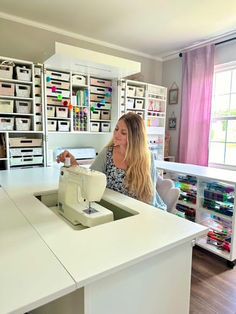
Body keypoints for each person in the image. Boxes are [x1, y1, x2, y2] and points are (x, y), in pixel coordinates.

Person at [56, 112, 167, 210]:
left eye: (123, 133)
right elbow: (88, 179)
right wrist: (73, 162)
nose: (116, 134)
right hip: (114, 208)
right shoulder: (107, 154)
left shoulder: (147, 158)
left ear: (135, 138)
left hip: (139, 211)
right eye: (116, 129)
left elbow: (149, 198)